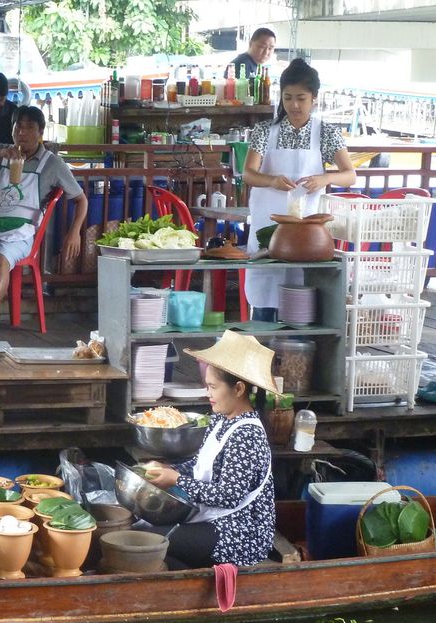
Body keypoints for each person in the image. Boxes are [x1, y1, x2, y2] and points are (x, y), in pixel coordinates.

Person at [144, 330, 278, 569]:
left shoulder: (247, 434)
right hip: (217, 521)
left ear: (238, 389)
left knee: (148, 543)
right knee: (146, 535)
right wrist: (169, 469)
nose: (208, 394)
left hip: (241, 534)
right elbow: (201, 464)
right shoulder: (221, 420)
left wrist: (176, 479)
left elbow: (229, 495)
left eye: (213, 387)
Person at [0, 105, 87, 334]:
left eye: (29, 128)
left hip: (21, 230)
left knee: (0, 258)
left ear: (40, 132)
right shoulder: (1, 151)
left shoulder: (52, 163)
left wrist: (74, 232)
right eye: (18, 127)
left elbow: (81, 199)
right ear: (12, 130)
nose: (22, 133)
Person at [242, 58, 357, 321]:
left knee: (300, 294)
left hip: (307, 232)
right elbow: (248, 173)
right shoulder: (264, 131)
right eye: (288, 97)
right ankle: (261, 345)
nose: (294, 105)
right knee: (265, 285)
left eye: (301, 98)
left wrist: (324, 178)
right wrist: (271, 181)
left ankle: (296, 350)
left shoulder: (326, 133)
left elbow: (350, 175)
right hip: (266, 227)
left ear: (314, 98)